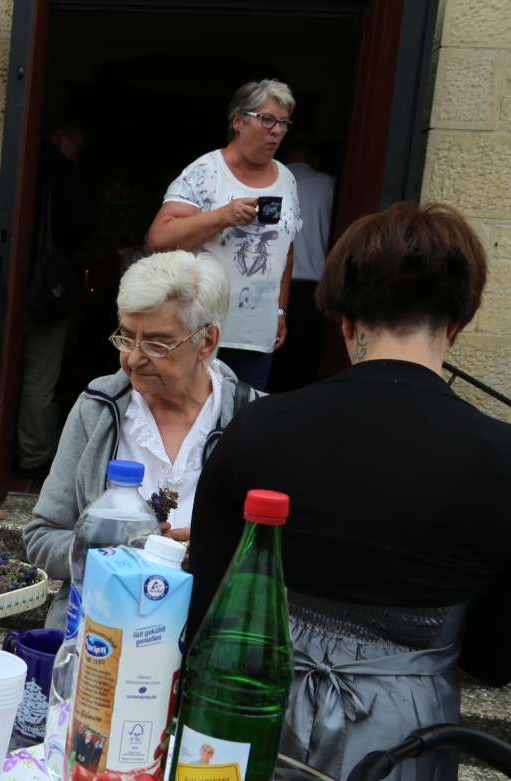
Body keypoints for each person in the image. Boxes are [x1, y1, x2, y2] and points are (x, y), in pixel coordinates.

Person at [186, 202, 511, 781]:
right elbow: (500, 656)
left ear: (344, 319)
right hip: (402, 737)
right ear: (457, 321)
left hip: (250, 716)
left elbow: (205, 603)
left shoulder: (259, 430)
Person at [23, 250, 257, 627]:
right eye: (126, 338)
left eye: (157, 344)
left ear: (207, 342)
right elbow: (41, 537)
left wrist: (217, 553)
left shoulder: (252, 419)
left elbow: (282, 559)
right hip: (98, 633)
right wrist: (115, 550)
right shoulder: (97, 410)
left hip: (208, 633)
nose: (132, 359)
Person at [147, 78, 302, 391]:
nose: (277, 130)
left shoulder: (287, 179)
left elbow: (286, 251)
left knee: (244, 426)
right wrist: (222, 216)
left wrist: (281, 310)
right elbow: (159, 239)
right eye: (267, 119)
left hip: (257, 338)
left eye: (284, 123)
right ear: (239, 121)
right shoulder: (206, 172)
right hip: (201, 333)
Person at [18, 119, 95, 478]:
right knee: (41, 376)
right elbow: (79, 225)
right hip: (47, 289)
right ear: (61, 135)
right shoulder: (62, 173)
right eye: (76, 140)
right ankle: (33, 456)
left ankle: (26, 450)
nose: (79, 148)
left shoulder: (24, 166)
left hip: (18, 284)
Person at [269, 140, 336, 393]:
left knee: (273, 360)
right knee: (306, 363)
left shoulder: (273, 185)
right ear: (316, 160)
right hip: (315, 286)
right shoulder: (329, 185)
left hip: (274, 285)